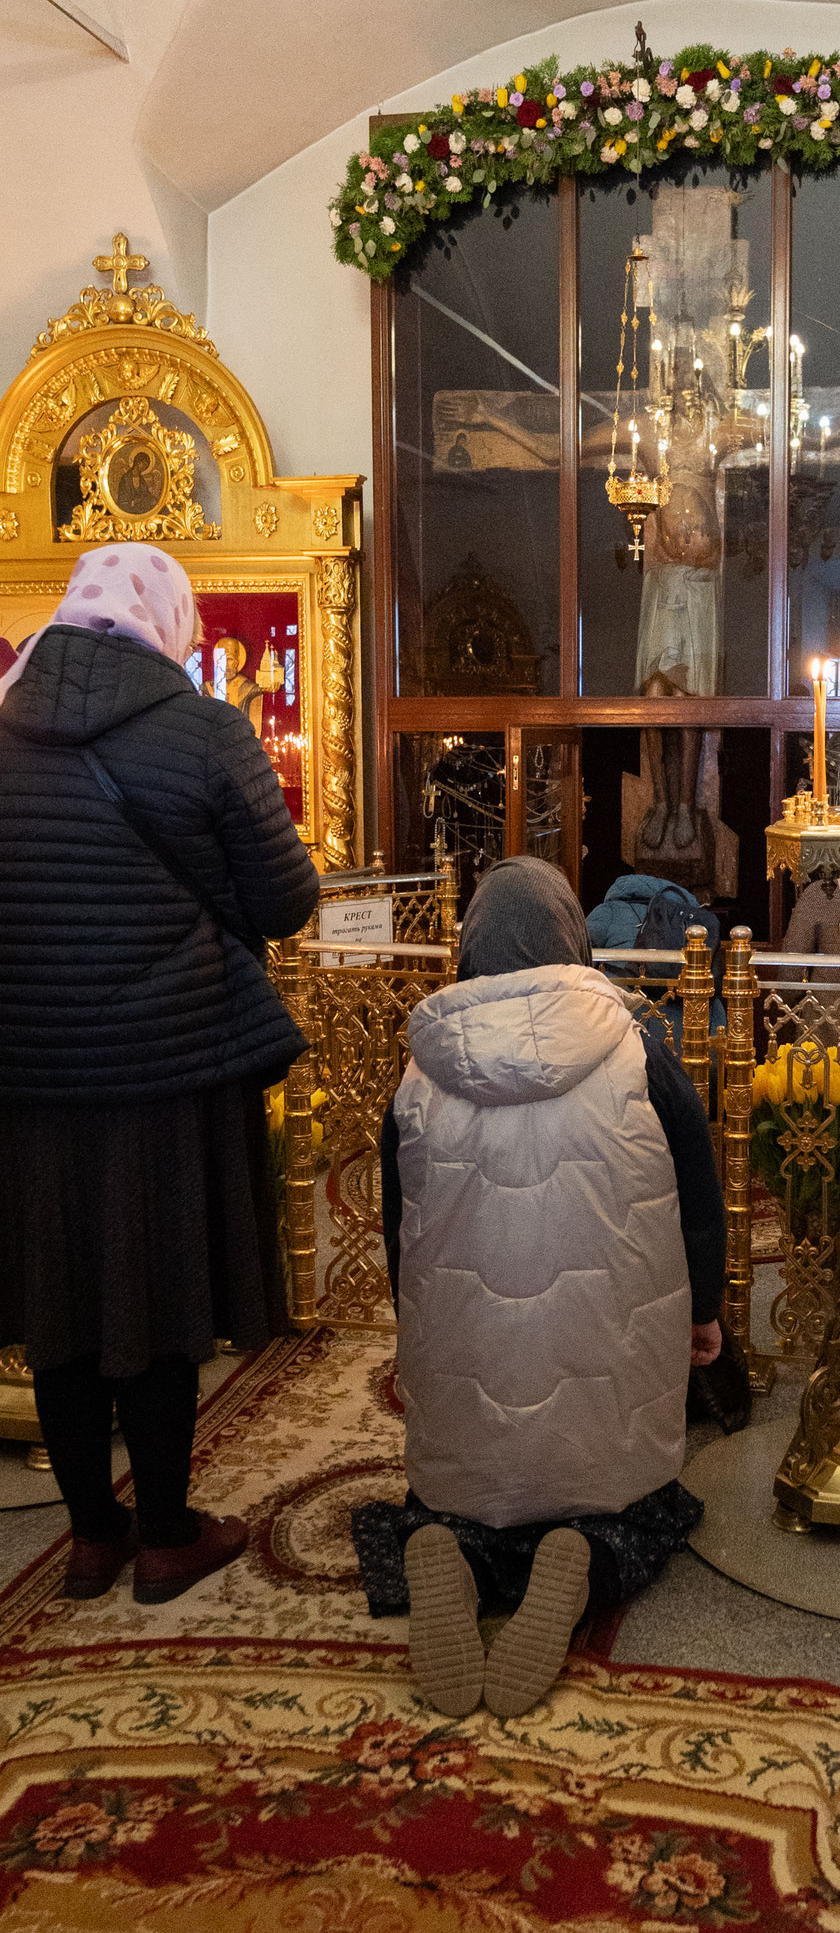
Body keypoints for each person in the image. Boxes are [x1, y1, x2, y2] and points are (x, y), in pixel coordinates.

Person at [0, 545, 319, 1603]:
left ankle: (93, 1537)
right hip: (170, 1070)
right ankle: (170, 1535)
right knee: (161, 1296)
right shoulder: (205, 730)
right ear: (166, 620)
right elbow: (284, 902)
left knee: (61, 1306)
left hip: (30, 1081)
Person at [356, 856, 726, 1720]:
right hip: (606, 1375)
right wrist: (705, 1312)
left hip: (466, 1379)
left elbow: (399, 1227)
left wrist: (419, 1323)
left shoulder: (419, 1072)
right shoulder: (639, 1053)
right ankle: (583, 1557)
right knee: (640, 1506)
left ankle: (445, 1546)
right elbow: (699, 1202)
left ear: (469, 946)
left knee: (449, 1499)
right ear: (572, 939)